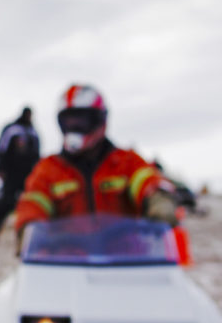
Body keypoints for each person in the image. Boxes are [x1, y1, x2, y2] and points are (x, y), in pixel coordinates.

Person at [14, 84, 178, 241]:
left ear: (100, 120)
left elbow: (148, 181)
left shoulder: (126, 162)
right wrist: (28, 228)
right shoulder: (48, 169)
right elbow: (33, 202)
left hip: (126, 261)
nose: (74, 127)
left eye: (81, 120)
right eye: (69, 121)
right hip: (66, 263)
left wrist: (159, 200)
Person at [0, 107, 40, 243]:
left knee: (31, 204)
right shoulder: (12, 129)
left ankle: (29, 239)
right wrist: (1, 169)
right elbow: (1, 149)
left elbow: (37, 153)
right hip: (11, 174)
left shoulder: (33, 132)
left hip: (28, 175)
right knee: (4, 204)